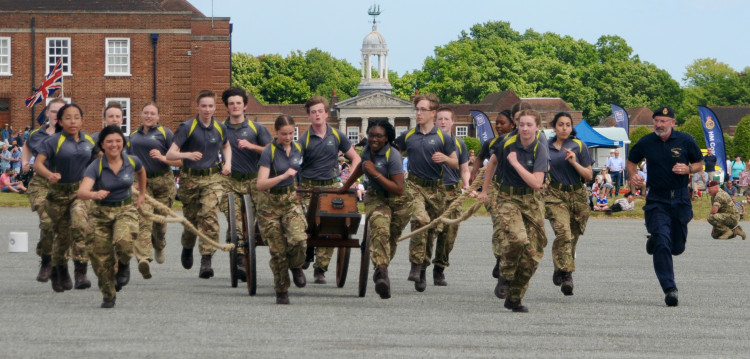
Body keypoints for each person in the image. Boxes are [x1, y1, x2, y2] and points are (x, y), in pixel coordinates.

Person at [627, 106, 703, 307]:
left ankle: (655, 239)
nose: (659, 125)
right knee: (662, 241)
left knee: (676, 247)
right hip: (657, 200)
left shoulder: (685, 140)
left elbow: (699, 164)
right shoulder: (646, 141)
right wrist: (633, 174)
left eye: (663, 121)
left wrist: (688, 168)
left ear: (672, 123)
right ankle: (670, 289)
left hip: (680, 200)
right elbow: (631, 161)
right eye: (656, 121)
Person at [479, 109, 549, 313]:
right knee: (518, 239)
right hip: (507, 197)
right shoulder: (506, 143)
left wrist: (515, 163)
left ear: (537, 127)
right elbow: (492, 163)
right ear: (517, 125)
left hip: (531, 198)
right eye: (522, 124)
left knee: (534, 253)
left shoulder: (540, 147)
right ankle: (505, 273)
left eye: (529, 125)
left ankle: (515, 297)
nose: (525, 128)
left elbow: (537, 183)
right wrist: (484, 191)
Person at [339, 119, 411, 299]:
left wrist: (375, 173)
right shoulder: (367, 151)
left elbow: (398, 188)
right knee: (380, 228)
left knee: (391, 238)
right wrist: (346, 187)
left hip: (399, 200)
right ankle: (382, 274)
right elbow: (360, 169)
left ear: (387, 138)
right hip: (376, 197)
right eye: (371, 135)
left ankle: (381, 265)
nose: (374, 139)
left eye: (379, 136)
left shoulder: (393, 155)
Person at [78, 125, 146, 308]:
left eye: (118, 141)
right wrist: (94, 194)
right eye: (109, 141)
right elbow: (82, 191)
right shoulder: (96, 166)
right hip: (100, 213)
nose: (114, 145)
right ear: (102, 144)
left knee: (123, 242)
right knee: (100, 258)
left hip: (125, 210)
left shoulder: (131, 161)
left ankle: (124, 264)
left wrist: (141, 194)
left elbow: (141, 171)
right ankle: (108, 294)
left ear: (123, 143)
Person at [395, 93, 457, 292]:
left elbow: (456, 162)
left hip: (436, 189)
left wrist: (445, 159)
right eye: (417, 109)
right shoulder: (408, 136)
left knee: (431, 231)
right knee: (420, 220)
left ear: (433, 113)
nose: (419, 113)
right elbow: (393, 151)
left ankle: (423, 268)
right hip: (413, 186)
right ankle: (414, 264)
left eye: (423, 109)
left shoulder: (443, 137)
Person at [167, 90, 231, 279]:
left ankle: (206, 259)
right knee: (191, 222)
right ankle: (187, 246)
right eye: (203, 106)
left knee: (209, 216)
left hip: (213, 178)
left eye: (210, 106)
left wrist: (228, 163)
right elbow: (171, 154)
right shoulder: (187, 127)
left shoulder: (220, 128)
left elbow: (226, 145)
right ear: (197, 107)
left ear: (215, 107)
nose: (207, 109)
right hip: (190, 179)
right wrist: (186, 155)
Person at [34, 103, 98, 292]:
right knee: (61, 237)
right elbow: (38, 164)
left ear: (82, 120)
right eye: (68, 118)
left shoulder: (88, 140)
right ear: (60, 121)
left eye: (76, 117)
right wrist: (49, 175)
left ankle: (81, 272)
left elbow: (100, 160)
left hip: (80, 192)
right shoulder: (53, 141)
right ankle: (59, 269)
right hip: (58, 194)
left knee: (80, 224)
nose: (73, 121)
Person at [297, 95, 360, 284]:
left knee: (331, 225)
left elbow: (356, 158)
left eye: (320, 111)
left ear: (326, 114)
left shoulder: (337, 135)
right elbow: (292, 165)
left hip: (332, 187)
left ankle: (320, 269)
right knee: (306, 222)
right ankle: (306, 251)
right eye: (313, 112)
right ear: (309, 116)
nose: (317, 115)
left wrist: (353, 180)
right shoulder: (303, 140)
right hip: (308, 188)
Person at [217, 87, 271, 281]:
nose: (235, 106)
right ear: (227, 107)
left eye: (238, 103)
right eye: (231, 103)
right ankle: (239, 258)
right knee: (236, 221)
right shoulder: (220, 129)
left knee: (259, 222)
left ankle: (247, 246)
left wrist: (252, 146)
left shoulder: (257, 129)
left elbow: (272, 151)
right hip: (230, 182)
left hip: (254, 181)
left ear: (245, 105)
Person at [256, 115, 307, 304]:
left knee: (299, 239)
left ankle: (296, 266)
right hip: (269, 202)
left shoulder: (297, 149)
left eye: (291, 133)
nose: (287, 137)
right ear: (276, 133)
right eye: (284, 134)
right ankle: (282, 289)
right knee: (277, 251)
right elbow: (261, 183)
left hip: (290, 200)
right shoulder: (269, 151)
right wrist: (284, 176)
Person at [127, 102, 181, 277]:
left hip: (163, 182)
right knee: (144, 219)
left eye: (152, 113)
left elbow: (180, 161)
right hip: (142, 183)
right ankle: (144, 259)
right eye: (146, 113)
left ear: (158, 117)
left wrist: (163, 158)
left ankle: (159, 245)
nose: (149, 116)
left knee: (159, 222)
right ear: (141, 115)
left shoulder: (165, 134)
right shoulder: (133, 136)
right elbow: (126, 162)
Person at [543, 112, 593, 296]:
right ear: (554, 127)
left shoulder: (579, 146)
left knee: (573, 236)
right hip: (555, 195)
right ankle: (567, 275)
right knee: (563, 233)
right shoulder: (545, 147)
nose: (564, 128)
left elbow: (588, 176)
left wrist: (574, 162)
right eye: (560, 124)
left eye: (568, 125)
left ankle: (560, 266)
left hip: (578, 194)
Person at [22, 98, 66, 282]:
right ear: (47, 113)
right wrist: (25, 162)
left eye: (61, 112)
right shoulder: (36, 135)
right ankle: (47, 261)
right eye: (54, 111)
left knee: (63, 226)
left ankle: (59, 262)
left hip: (64, 184)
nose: (57, 115)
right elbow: (27, 146)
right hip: (41, 183)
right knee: (47, 219)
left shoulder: (72, 135)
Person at [432, 107, 470, 286]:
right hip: (433, 191)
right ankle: (420, 266)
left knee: (449, 234)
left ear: (453, 122)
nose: (443, 122)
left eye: (447, 119)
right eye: (440, 119)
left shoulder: (459, 144)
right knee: (428, 230)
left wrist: (468, 185)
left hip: (452, 191)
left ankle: (439, 268)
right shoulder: (429, 141)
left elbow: (464, 169)